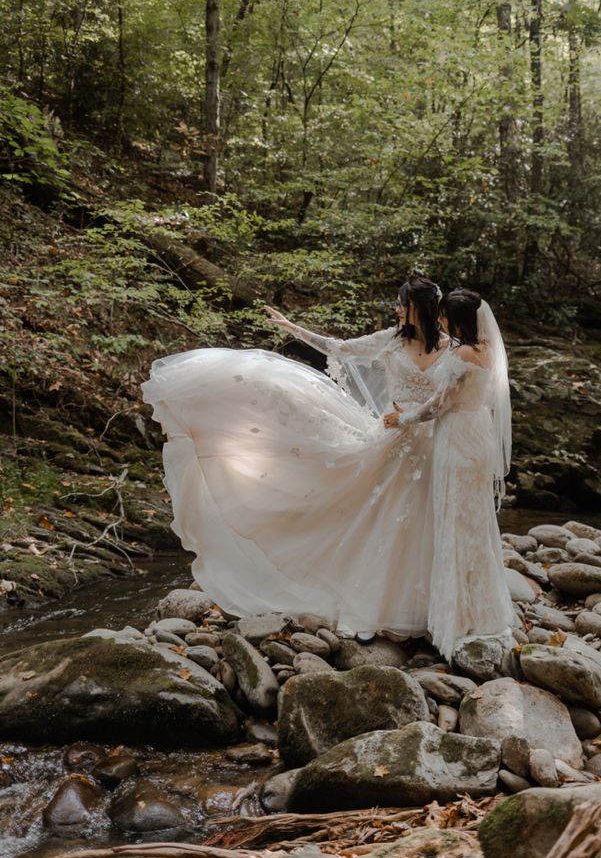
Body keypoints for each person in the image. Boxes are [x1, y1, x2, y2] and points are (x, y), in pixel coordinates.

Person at [141, 275, 451, 644]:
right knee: (384, 518)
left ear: (419, 308)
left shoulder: (450, 348)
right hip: (391, 438)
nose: (396, 309)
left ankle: (428, 605)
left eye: (402, 303)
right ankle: (376, 604)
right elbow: (339, 347)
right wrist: (294, 329)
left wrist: (417, 418)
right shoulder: (391, 339)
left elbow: (454, 397)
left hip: (431, 443)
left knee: (419, 521)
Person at [383, 289, 515, 659]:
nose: (438, 321)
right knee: (473, 520)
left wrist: (402, 418)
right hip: (478, 433)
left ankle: (457, 617)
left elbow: (439, 404)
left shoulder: (461, 354)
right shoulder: (486, 348)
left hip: (456, 436)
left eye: (443, 316)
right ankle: (481, 607)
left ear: (456, 320)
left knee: (454, 521)